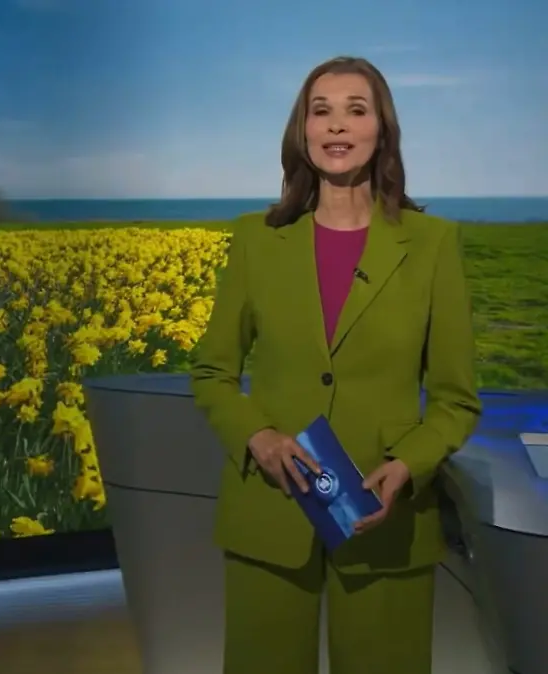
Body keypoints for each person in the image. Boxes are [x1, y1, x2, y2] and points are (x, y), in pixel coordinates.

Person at [189, 55, 483, 674]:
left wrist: (408, 465)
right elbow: (212, 372)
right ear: (302, 132)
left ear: (382, 130)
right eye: (320, 111)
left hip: (383, 520)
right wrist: (257, 437)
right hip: (270, 513)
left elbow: (457, 400)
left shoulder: (433, 246)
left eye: (356, 110)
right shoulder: (255, 240)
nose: (336, 125)